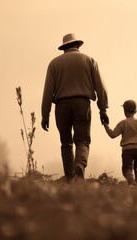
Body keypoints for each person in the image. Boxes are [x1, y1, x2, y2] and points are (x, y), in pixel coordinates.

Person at [41, 33, 109, 182]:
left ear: (64, 47)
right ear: (78, 45)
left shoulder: (54, 64)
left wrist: (45, 115)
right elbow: (101, 87)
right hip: (82, 104)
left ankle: (70, 177)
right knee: (82, 140)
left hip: (62, 106)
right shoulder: (90, 60)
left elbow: (47, 91)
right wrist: (103, 109)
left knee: (66, 143)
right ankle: (80, 165)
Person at [103, 100, 137, 185]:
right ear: (136, 111)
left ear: (124, 111)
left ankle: (131, 181)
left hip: (127, 150)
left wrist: (105, 125)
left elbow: (112, 135)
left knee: (126, 169)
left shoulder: (122, 123)